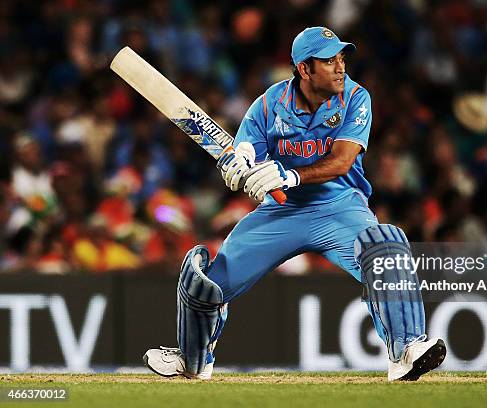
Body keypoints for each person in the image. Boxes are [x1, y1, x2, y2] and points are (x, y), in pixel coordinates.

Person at [143, 27, 446, 382]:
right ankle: (192, 360)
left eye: (341, 59)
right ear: (304, 69)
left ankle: (407, 350)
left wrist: (290, 176)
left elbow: (342, 161)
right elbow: (244, 153)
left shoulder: (355, 97)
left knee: (385, 248)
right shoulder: (269, 105)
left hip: (340, 205)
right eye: (329, 61)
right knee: (204, 283)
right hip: (281, 212)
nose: (340, 68)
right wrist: (238, 165)